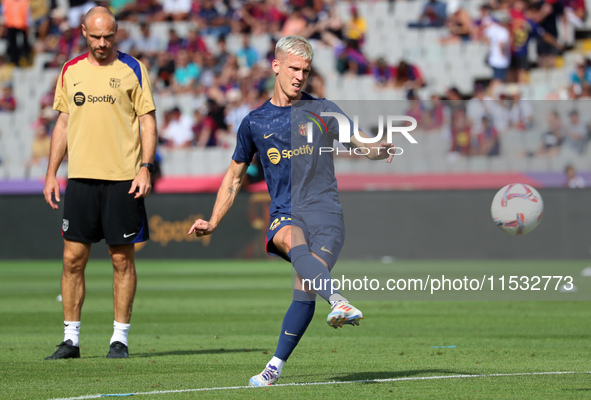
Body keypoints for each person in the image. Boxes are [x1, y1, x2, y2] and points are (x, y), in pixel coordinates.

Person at [188, 35, 395, 387]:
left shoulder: (323, 110)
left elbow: (360, 140)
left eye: (306, 70)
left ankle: (274, 366)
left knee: (305, 285)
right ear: (276, 66)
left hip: (327, 215)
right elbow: (234, 178)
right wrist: (214, 220)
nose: (300, 76)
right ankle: (340, 300)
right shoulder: (255, 122)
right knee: (287, 236)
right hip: (288, 212)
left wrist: (378, 149)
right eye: (294, 69)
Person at [43, 6, 158, 360]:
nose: (102, 42)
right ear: (83, 32)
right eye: (95, 36)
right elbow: (62, 123)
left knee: (121, 261)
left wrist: (146, 167)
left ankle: (119, 339)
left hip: (123, 180)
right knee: (72, 259)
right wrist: (51, 172)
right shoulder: (71, 70)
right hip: (80, 181)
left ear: (117, 31)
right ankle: (71, 340)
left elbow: (148, 122)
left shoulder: (133, 69)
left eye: (108, 35)